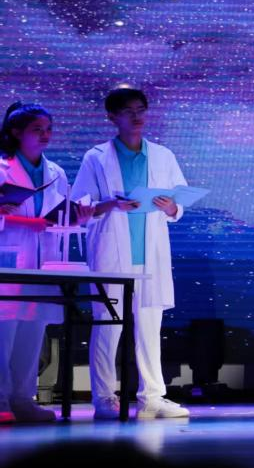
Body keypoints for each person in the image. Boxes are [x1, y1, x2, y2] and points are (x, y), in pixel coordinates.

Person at [71, 88, 190, 420]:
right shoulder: (96, 157)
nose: (136, 116)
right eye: (128, 111)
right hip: (111, 252)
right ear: (112, 117)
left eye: (140, 109)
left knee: (150, 326)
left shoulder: (163, 155)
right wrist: (112, 204)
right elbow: (81, 207)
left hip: (150, 252)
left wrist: (170, 207)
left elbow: (179, 202)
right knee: (108, 325)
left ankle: (152, 397)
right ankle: (103, 398)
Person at [0, 103, 92, 423]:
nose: (45, 135)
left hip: (44, 262)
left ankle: (23, 399)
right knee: (4, 332)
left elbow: (56, 216)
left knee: (33, 331)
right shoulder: (2, 168)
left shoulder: (56, 173)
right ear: (16, 132)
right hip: (9, 259)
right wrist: (27, 223)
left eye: (49, 129)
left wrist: (76, 216)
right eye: (37, 130)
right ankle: (1, 401)